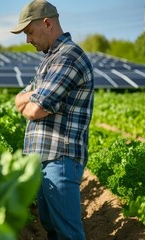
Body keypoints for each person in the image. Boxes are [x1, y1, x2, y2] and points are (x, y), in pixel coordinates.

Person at [11, 0, 94, 239]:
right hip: (44, 160)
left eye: (29, 32)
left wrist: (32, 100)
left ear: (47, 23)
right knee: (52, 229)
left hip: (60, 158)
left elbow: (35, 110)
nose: (27, 40)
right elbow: (19, 100)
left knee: (67, 233)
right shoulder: (49, 60)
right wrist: (31, 97)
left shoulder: (68, 57)